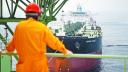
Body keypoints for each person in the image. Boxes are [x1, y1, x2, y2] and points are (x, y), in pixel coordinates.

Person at [6, 3, 73, 72]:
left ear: (26, 14)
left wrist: (7, 50)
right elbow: (53, 42)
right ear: (38, 15)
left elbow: (12, 45)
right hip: (38, 68)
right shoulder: (41, 27)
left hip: (23, 68)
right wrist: (64, 50)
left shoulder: (19, 27)